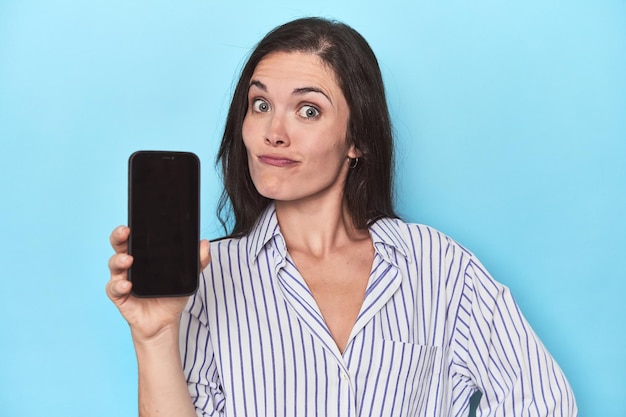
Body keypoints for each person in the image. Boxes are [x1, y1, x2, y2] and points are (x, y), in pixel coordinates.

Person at [107, 17, 577, 417]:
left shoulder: (438, 266)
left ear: (358, 140)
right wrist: (155, 335)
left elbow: (542, 400)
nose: (274, 132)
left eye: (307, 110)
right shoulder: (207, 278)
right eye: (261, 104)